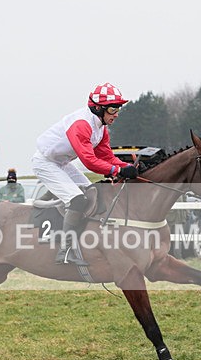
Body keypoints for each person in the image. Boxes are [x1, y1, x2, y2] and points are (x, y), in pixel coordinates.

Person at [31, 82, 137, 266]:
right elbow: (89, 161)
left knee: (91, 193)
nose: (117, 114)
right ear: (98, 109)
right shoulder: (82, 125)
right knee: (78, 200)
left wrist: (128, 167)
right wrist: (118, 171)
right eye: (113, 109)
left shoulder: (101, 128)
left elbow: (106, 156)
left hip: (62, 162)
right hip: (45, 162)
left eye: (118, 108)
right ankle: (65, 250)